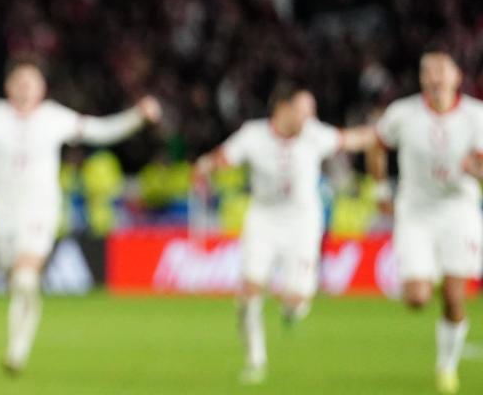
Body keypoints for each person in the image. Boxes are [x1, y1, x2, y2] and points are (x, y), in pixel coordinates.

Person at [0, 60, 162, 374]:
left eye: (30, 82)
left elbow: (99, 131)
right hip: (3, 212)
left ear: (42, 89)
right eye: (18, 82)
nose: (24, 88)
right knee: (16, 281)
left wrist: (137, 117)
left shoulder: (54, 118)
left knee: (25, 277)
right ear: (8, 87)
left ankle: (18, 349)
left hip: (40, 209)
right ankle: (17, 345)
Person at [193, 84, 375, 385]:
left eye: (312, 111)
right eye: (305, 109)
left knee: (294, 298)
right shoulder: (253, 135)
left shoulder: (315, 135)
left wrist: (381, 134)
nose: (310, 117)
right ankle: (255, 360)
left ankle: (293, 307)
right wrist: (205, 165)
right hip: (263, 219)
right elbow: (223, 156)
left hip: (303, 223)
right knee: (249, 291)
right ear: (283, 108)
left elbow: (350, 138)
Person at [372, 51, 483, 394]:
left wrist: (474, 169)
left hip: (458, 209)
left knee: (453, 296)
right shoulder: (402, 114)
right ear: (421, 79)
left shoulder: (475, 116)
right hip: (415, 211)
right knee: (417, 298)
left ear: (456, 77)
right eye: (427, 71)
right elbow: (377, 145)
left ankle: (446, 367)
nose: (434, 77)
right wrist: (380, 187)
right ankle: (433, 273)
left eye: (440, 70)